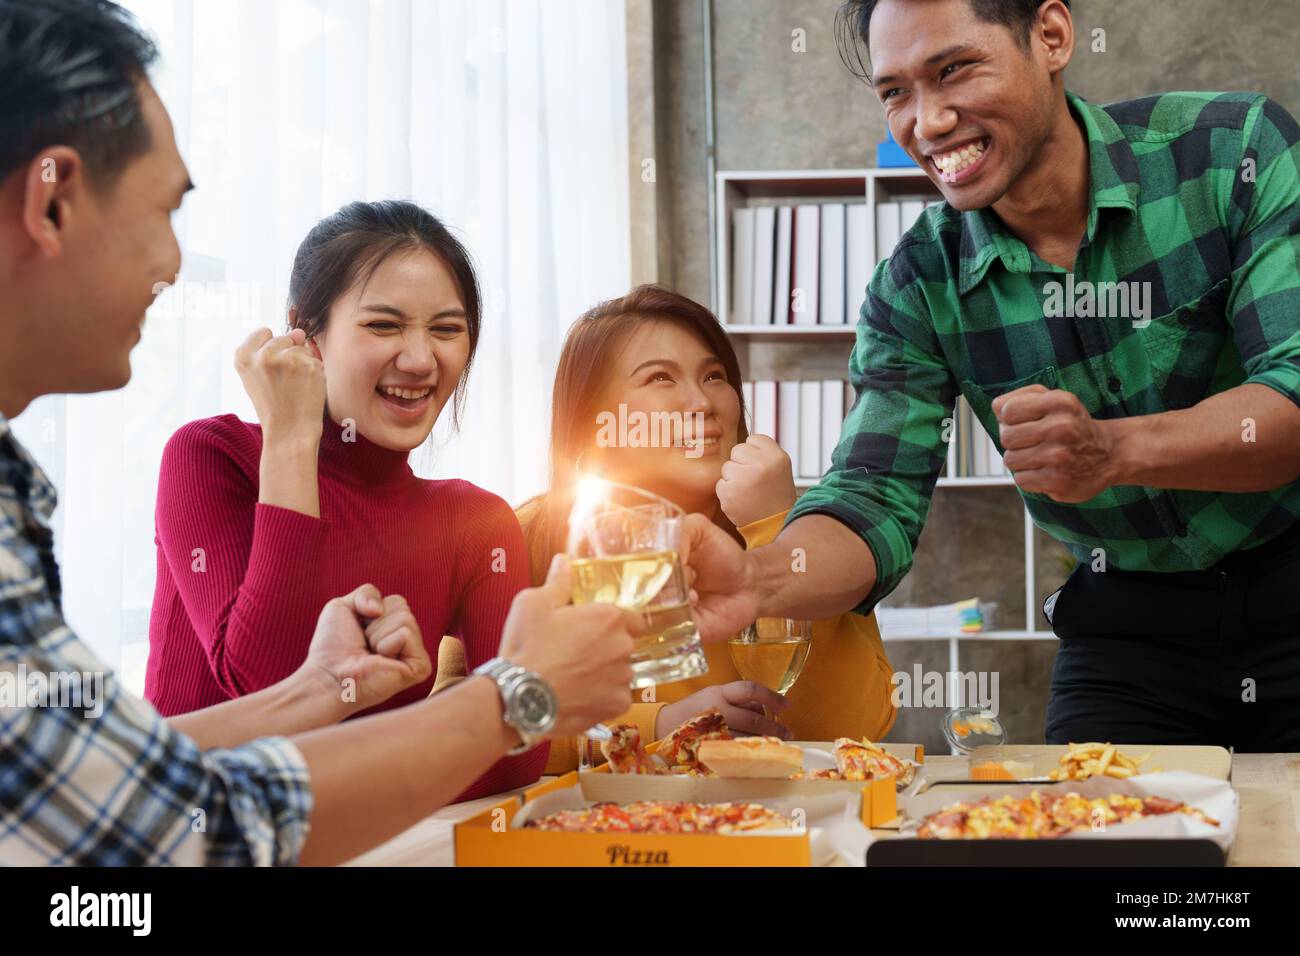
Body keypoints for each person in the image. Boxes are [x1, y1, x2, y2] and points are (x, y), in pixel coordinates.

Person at [0, 0, 634, 865]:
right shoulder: (213, 455)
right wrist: (505, 698)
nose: (176, 265)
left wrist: (331, 693)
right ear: (53, 203)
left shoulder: (15, 494)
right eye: (160, 211)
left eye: (447, 329)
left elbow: (126, 780)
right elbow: (184, 809)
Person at [680, 0, 1300, 750]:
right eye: (895, 93)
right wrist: (759, 580)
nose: (928, 122)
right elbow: (873, 497)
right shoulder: (915, 285)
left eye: (954, 70)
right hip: (1127, 633)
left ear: (1051, 36)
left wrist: (1113, 450)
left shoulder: (1233, 151)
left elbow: (1291, 387)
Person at [145, 198, 546, 799]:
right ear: (306, 333)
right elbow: (265, 690)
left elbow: (517, 750)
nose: (419, 359)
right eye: (383, 325)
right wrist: (291, 440)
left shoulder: (474, 522)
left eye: (446, 329)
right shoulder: (211, 456)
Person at [438, 285, 897, 769]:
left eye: (715, 376)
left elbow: (856, 724)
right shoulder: (516, 538)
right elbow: (455, 727)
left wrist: (775, 530)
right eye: (660, 378)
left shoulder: (808, 535)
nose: (702, 402)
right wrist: (658, 724)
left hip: (761, 828)